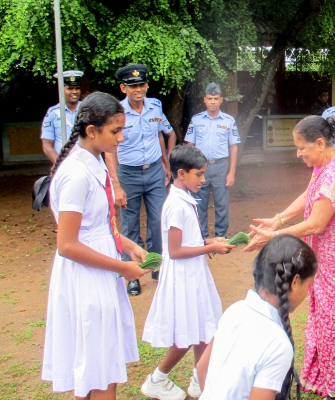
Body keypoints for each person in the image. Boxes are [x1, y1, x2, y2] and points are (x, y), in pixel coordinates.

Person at [245, 116, 335, 399]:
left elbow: (316, 224)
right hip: (326, 251)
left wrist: (273, 236)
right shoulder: (326, 163)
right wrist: (278, 219)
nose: (298, 154)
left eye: (301, 148)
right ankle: (323, 375)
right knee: (323, 312)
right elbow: (312, 193)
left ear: (319, 143)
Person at [42, 92, 152, 399]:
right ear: (92, 131)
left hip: (100, 268)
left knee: (99, 365)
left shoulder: (95, 161)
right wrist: (122, 267)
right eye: (115, 131)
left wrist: (127, 245)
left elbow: (98, 224)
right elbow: (67, 244)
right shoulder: (76, 174)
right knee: (99, 370)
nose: (121, 138)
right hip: (86, 276)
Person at [141, 144, 234, 400]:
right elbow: (175, 251)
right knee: (187, 334)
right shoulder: (176, 205)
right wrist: (210, 248)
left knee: (204, 328)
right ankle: (157, 379)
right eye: (199, 174)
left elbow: (188, 241)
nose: (203, 180)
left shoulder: (185, 199)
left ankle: (199, 380)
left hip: (194, 273)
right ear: (181, 173)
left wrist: (210, 242)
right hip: (182, 277)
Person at [197, 234, 318, 399]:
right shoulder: (278, 344)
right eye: (308, 285)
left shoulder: (235, 310)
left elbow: (202, 367)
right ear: (295, 282)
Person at [105, 63, 177, 295]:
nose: (138, 89)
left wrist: (165, 163)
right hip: (128, 174)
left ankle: (155, 265)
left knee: (158, 220)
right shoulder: (116, 113)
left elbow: (160, 135)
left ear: (146, 85)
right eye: (133, 86)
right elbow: (110, 151)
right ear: (123, 88)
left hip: (155, 172)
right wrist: (116, 185)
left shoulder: (155, 106)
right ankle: (133, 274)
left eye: (142, 84)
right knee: (130, 224)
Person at [185, 82, 240, 238]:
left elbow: (234, 147)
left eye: (216, 99)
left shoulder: (229, 121)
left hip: (220, 166)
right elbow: (190, 145)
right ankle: (201, 237)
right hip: (200, 167)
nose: (213, 102)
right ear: (205, 100)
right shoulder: (196, 120)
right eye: (210, 98)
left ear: (221, 100)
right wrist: (190, 169)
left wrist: (231, 172)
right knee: (199, 202)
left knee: (221, 204)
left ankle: (221, 236)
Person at [41, 70, 83, 164]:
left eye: (77, 88)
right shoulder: (53, 113)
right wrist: (60, 165)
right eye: (70, 88)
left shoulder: (88, 110)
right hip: (63, 163)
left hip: (86, 163)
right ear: (61, 89)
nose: (74, 92)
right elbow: (47, 145)